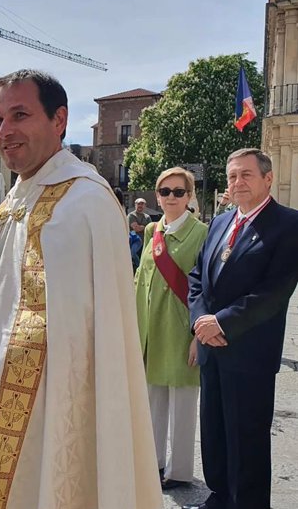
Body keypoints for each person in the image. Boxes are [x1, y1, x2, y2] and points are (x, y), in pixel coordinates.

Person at [0, 69, 161, 509]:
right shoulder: (20, 196)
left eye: (20, 115)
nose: (5, 131)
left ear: (59, 120)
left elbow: (66, 339)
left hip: (50, 417)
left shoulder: (81, 203)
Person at [184, 148, 298, 509]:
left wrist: (223, 322)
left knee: (247, 439)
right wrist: (201, 324)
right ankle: (218, 497)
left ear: (267, 178)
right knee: (214, 432)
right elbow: (198, 277)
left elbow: (275, 291)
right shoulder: (220, 222)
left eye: (246, 175)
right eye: (232, 176)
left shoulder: (289, 224)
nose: (237, 182)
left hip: (249, 353)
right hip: (211, 349)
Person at [134, 167, 208, 491]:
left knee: (182, 402)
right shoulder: (152, 231)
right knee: (153, 400)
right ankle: (154, 463)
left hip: (182, 331)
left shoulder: (202, 233)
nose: (171, 198)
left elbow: (208, 287)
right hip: (151, 328)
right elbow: (140, 280)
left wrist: (198, 337)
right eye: (165, 192)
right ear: (157, 196)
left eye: (179, 192)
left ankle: (178, 471)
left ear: (189, 196)